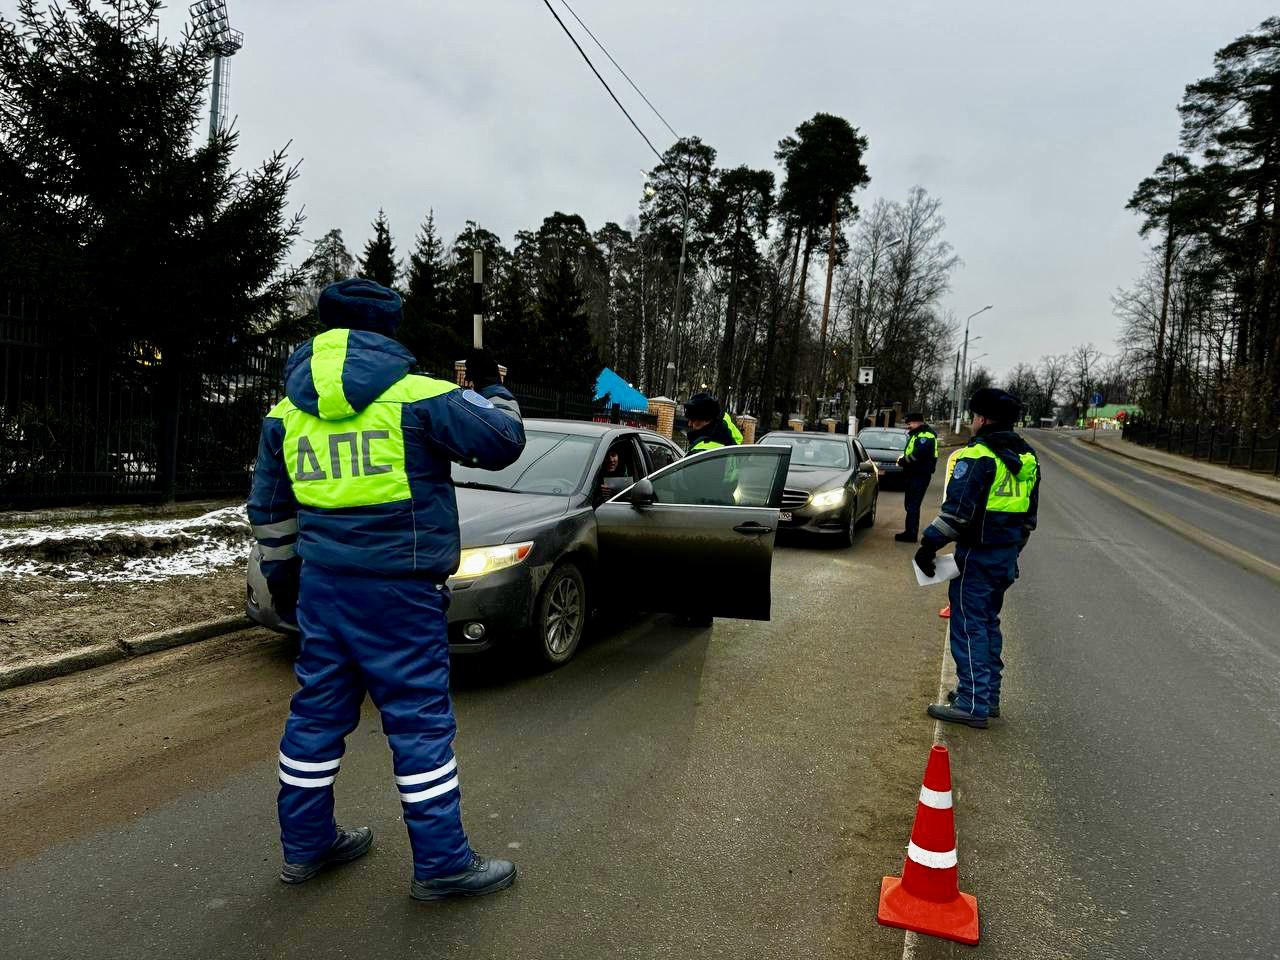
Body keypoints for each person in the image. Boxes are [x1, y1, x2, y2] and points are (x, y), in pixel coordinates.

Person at [247, 278, 526, 900]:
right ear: (388, 329)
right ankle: (442, 864)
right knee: (419, 724)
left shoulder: (284, 411)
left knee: (315, 717)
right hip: (399, 591)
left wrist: (285, 580)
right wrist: (494, 389)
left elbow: (268, 511)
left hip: (323, 587)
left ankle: (306, 846)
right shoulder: (419, 396)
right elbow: (504, 442)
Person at [913, 388, 1039, 729]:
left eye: (973, 417)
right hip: (1005, 555)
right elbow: (1029, 519)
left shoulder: (978, 456)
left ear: (982, 418)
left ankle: (971, 702)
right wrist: (1011, 550)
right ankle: (987, 695)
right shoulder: (1027, 457)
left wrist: (928, 545)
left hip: (977, 557)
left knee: (969, 627)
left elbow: (957, 513)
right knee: (988, 624)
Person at [894, 412, 938, 543]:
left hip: (919, 475)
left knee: (913, 505)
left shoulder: (925, 436)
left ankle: (911, 534)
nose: (908, 426)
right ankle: (909, 532)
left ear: (918, 422)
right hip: (914, 474)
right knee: (911, 504)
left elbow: (917, 456)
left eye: (910, 423)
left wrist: (903, 461)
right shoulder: (918, 434)